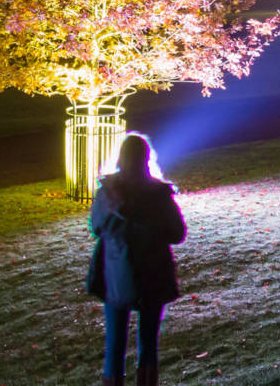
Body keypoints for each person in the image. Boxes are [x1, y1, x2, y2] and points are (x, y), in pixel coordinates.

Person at [86, 132, 187, 386]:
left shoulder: (107, 192)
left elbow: (96, 227)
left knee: (115, 344)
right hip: (152, 274)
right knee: (148, 343)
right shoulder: (159, 194)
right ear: (146, 157)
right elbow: (177, 233)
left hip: (116, 274)